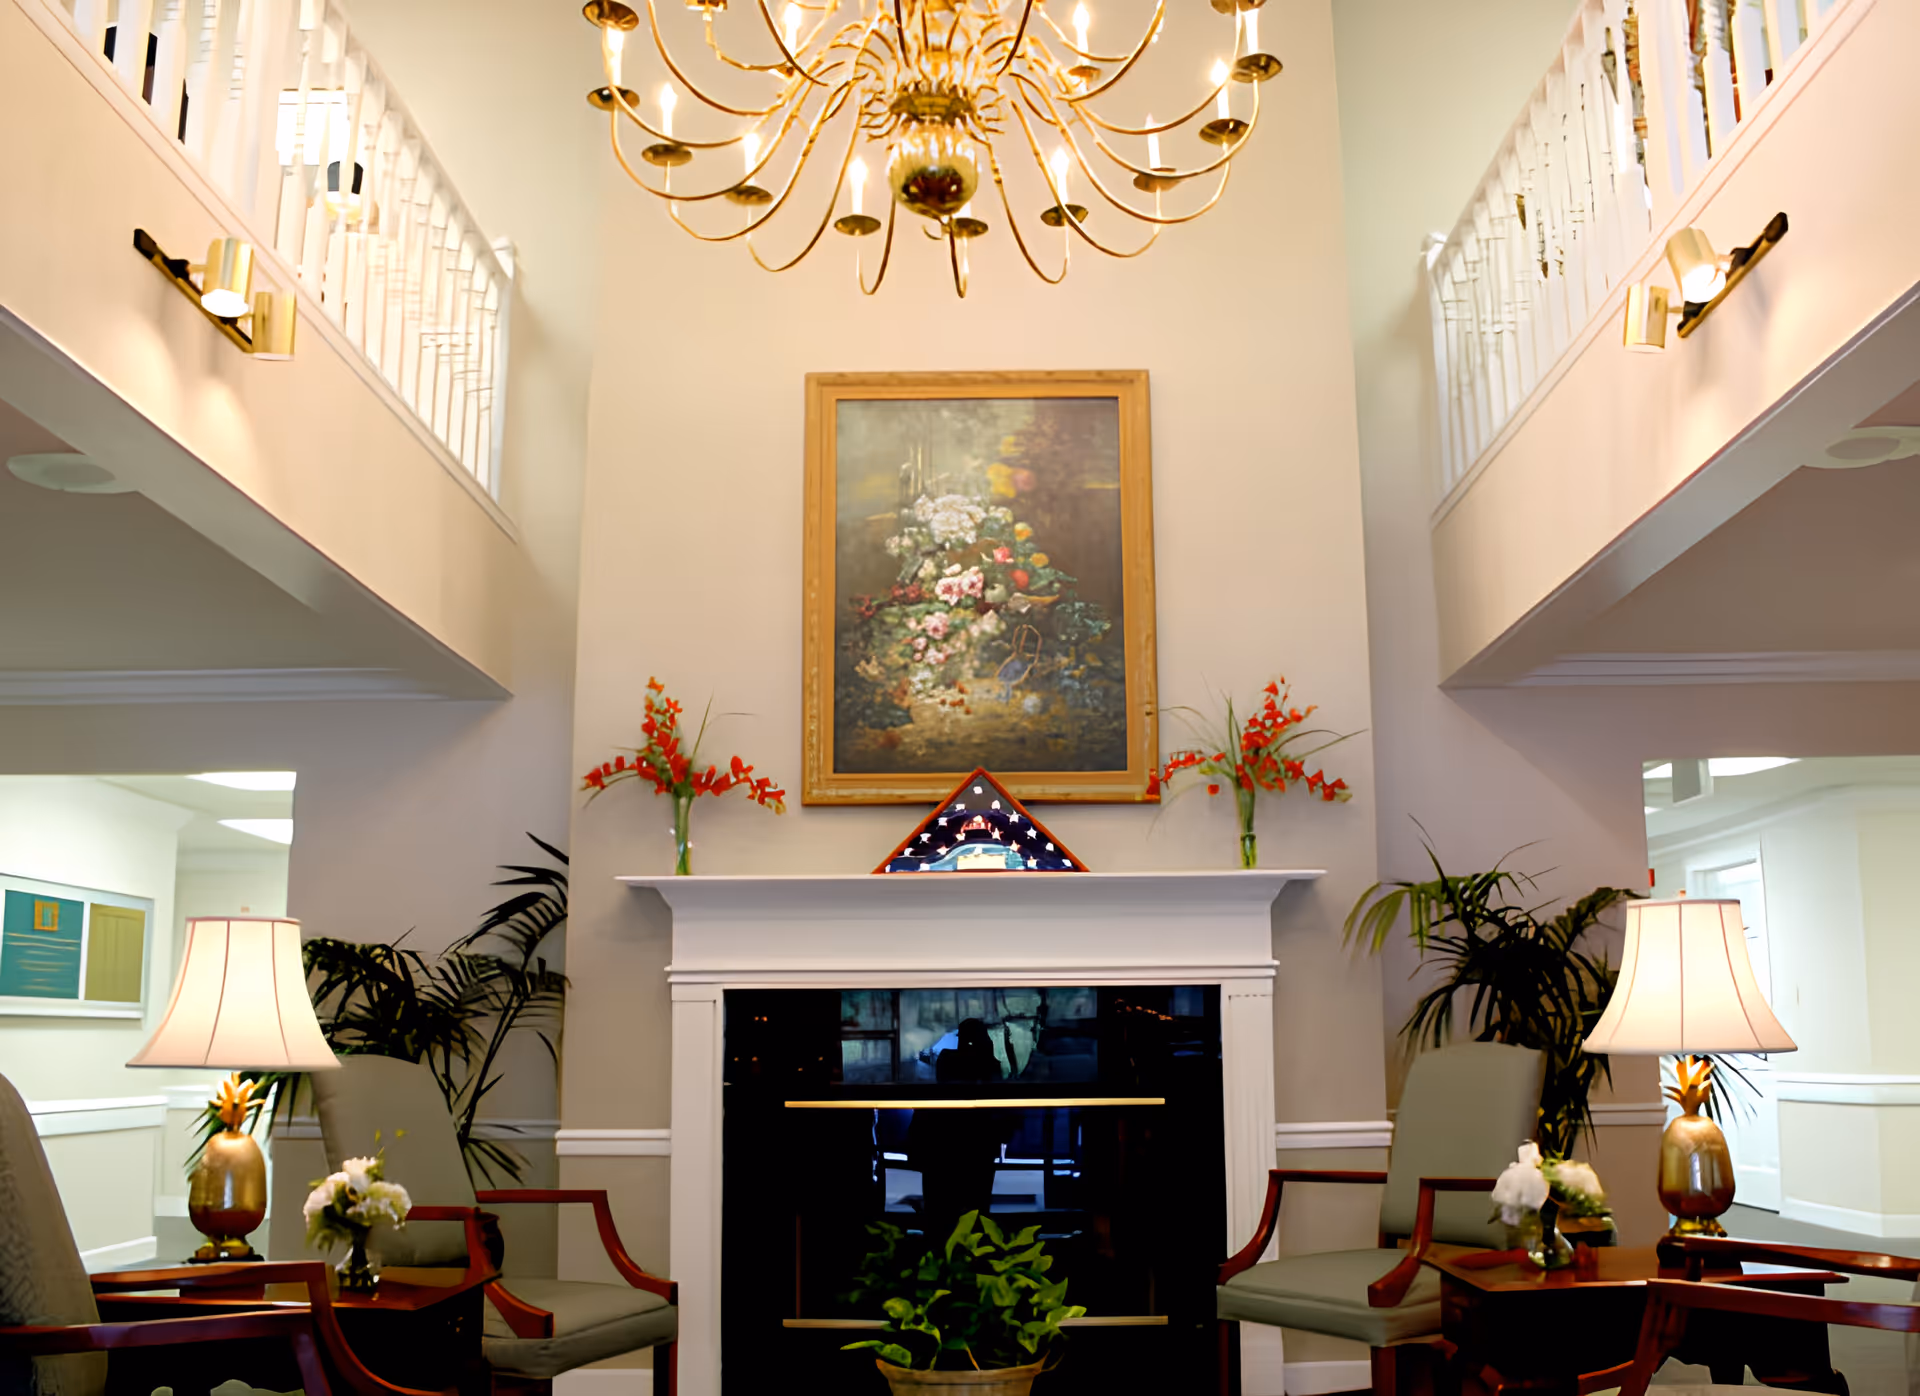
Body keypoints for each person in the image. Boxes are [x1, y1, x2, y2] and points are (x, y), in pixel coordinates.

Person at [909, 1019, 1015, 1231]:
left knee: (941, 1213)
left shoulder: (948, 1061)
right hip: (977, 1148)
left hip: (942, 1148)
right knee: (975, 1211)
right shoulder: (989, 1065)